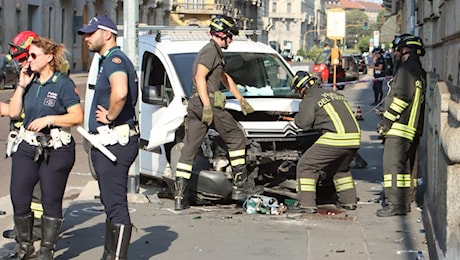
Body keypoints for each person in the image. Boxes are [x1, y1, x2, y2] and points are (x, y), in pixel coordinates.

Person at [173, 15, 262, 211]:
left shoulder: (214, 53)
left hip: (196, 105)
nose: (232, 40)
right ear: (223, 35)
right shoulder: (210, 51)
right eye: (231, 36)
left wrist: (240, 98)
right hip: (208, 103)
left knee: (189, 150)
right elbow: (200, 77)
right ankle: (241, 187)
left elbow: (223, 77)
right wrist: (207, 105)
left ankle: (180, 196)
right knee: (236, 137)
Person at [8, 36, 83, 259]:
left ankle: (46, 251)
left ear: (49, 57)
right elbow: (13, 112)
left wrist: (50, 119)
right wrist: (21, 86)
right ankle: (25, 247)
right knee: (19, 195)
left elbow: (76, 116)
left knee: (50, 199)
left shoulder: (63, 84)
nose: (28, 60)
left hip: (55, 148)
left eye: (33, 56)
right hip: (27, 145)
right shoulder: (28, 80)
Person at [78, 15, 139, 259]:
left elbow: (121, 92)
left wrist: (110, 116)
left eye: (91, 33)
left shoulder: (114, 60)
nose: (86, 38)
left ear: (108, 34)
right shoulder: (107, 60)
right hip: (109, 143)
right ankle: (109, 254)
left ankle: (116, 257)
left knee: (115, 204)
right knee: (110, 201)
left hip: (114, 142)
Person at [291, 71, 361, 214]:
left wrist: (295, 118)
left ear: (302, 88)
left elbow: (304, 123)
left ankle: (306, 204)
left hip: (336, 138)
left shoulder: (310, 97)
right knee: (340, 169)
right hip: (354, 138)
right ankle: (349, 202)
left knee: (306, 165)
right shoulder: (336, 95)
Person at [376, 34, 426, 217]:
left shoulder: (406, 71)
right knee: (405, 170)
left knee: (392, 168)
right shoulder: (419, 71)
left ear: (405, 50)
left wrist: (386, 122)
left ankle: (394, 203)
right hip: (412, 128)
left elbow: (402, 98)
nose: (396, 54)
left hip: (399, 128)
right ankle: (404, 202)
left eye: (398, 50)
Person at [2, 31, 45, 245]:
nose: (21, 64)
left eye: (23, 59)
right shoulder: (27, 76)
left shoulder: (40, 78)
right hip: (22, 141)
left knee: (35, 192)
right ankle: (25, 230)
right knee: (21, 190)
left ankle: (35, 231)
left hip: (36, 143)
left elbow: (19, 111)